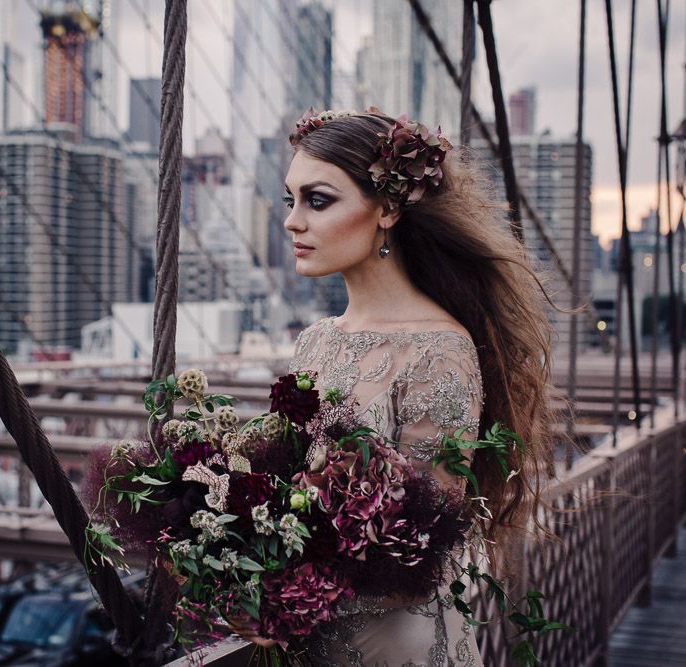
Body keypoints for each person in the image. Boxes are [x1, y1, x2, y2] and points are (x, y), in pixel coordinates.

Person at [237, 108, 554, 666]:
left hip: (393, 648)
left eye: (318, 200)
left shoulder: (439, 352)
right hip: (308, 645)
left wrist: (284, 600)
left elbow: (421, 556)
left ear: (387, 208)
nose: (291, 222)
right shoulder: (314, 342)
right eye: (291, 200)